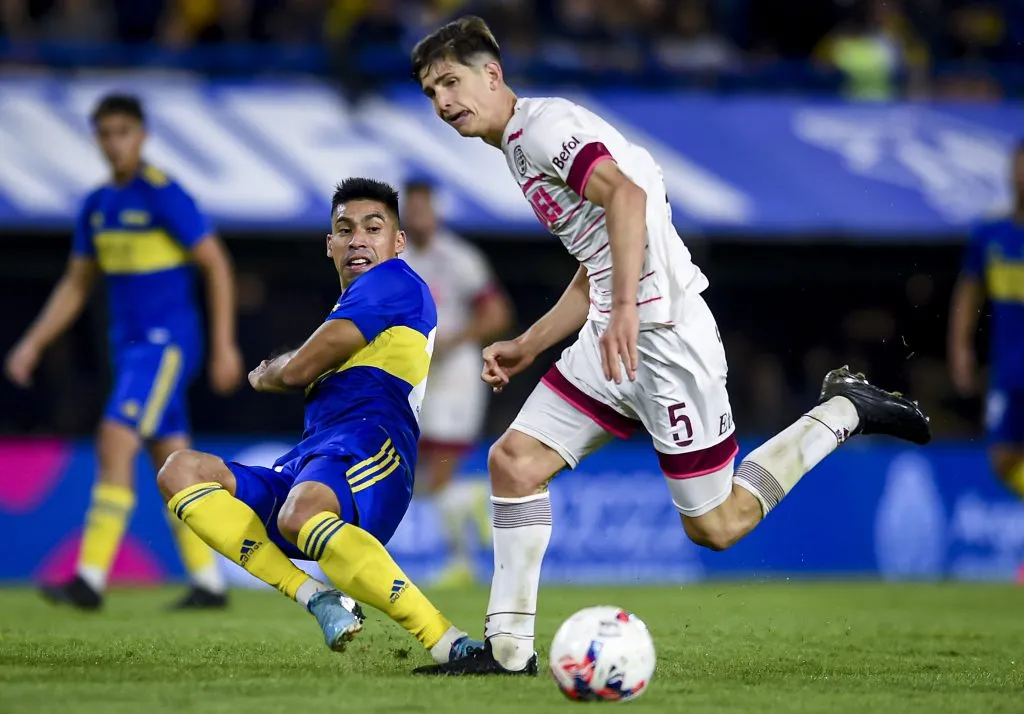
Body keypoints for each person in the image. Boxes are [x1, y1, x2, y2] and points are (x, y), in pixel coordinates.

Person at [409, 16, 932, 676]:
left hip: (664, 339)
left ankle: (842, 412)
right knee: (513, 463)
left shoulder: (542, 129)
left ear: (492, 74)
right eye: (431, 92)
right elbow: (600, 254)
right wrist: (530, 342)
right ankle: (509, 651)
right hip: (614, 333)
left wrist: (627, 306)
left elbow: (626, 198)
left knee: (717, 526)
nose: (443, 101)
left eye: (451, 82)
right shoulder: (520, 144)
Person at [155, 177, 483, 662]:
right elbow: (308, 359)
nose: (358, 240)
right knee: (181, 471)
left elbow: (298, 369)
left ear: (398, 242)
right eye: (345, 230)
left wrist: (268, 372)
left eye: (373, 228)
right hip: (318, 455)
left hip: (373, 447)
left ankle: (449, 643)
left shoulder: (394, 282)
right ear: (330, 244)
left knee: (300, 513)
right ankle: (318, 597)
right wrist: (287, 365)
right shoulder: (352, 308)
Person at [4, 93, 243, 611]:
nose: (115, 143)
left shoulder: (163, 194)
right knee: (171, 460)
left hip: (165, 345)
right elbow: (76, 283)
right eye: (106, 134)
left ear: (142, 136)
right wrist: (33, 342)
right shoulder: (97, 205)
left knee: (115, 437)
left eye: (123, 132)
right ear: (97, 138)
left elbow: (217, 264)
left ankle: (89, 578)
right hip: (130, 350)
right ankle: (209, 582)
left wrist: (224, 344)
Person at [400, 178, 512, 588]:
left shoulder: (460, 258)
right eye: (412, 208)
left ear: (437, 211)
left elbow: (497, 314)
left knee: (439, 471)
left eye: (424, 208)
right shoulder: (398, 258)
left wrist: (455, 339)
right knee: (415, 476)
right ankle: (471, 499)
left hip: (456, 375)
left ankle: (461, 562)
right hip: (416, 376)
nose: (418, 216)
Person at [949, 140, 1024, 580]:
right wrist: (961, 347)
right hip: (1007, 368)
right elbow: (969, 292)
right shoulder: (990, 232)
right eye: (1018, 166)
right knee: (1002, 459)